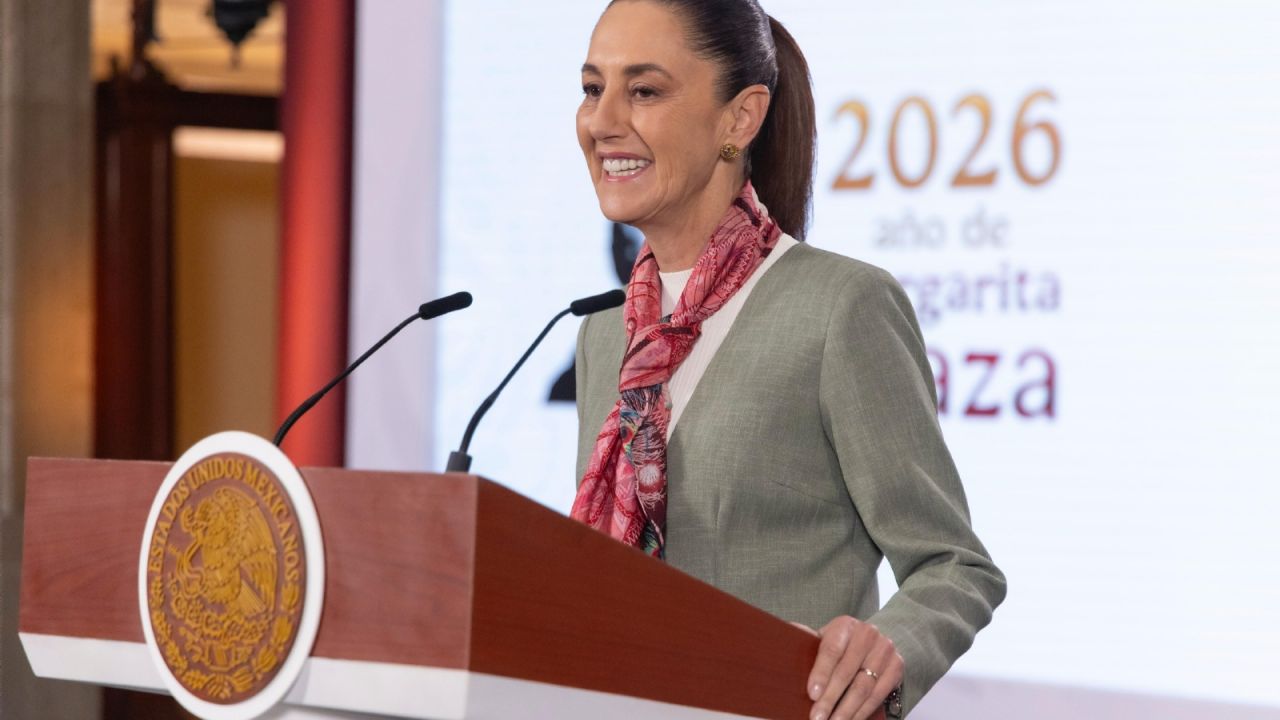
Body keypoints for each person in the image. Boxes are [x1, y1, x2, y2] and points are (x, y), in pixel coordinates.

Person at [568, 1, 1007, 718]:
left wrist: (881, 654)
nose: (602, 121)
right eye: (592, 89)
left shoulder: (841, 307)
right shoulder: (601, 332)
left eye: (643, 90)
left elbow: (954, 565)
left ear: (740, 118)